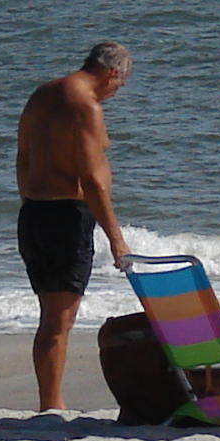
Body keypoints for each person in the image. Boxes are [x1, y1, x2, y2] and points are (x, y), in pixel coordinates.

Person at [15, 41, 134, 411]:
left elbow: (23, 157)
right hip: (66, 217)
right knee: (58, 321)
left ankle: (50, 401)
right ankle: (51, 405)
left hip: (34, 213)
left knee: (51, 317)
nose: (117, 91)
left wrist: (29, 202)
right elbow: (93, 180)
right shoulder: (85, 106)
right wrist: (116, 239)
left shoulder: (43, 94)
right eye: (121, 83)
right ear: (111, 73)